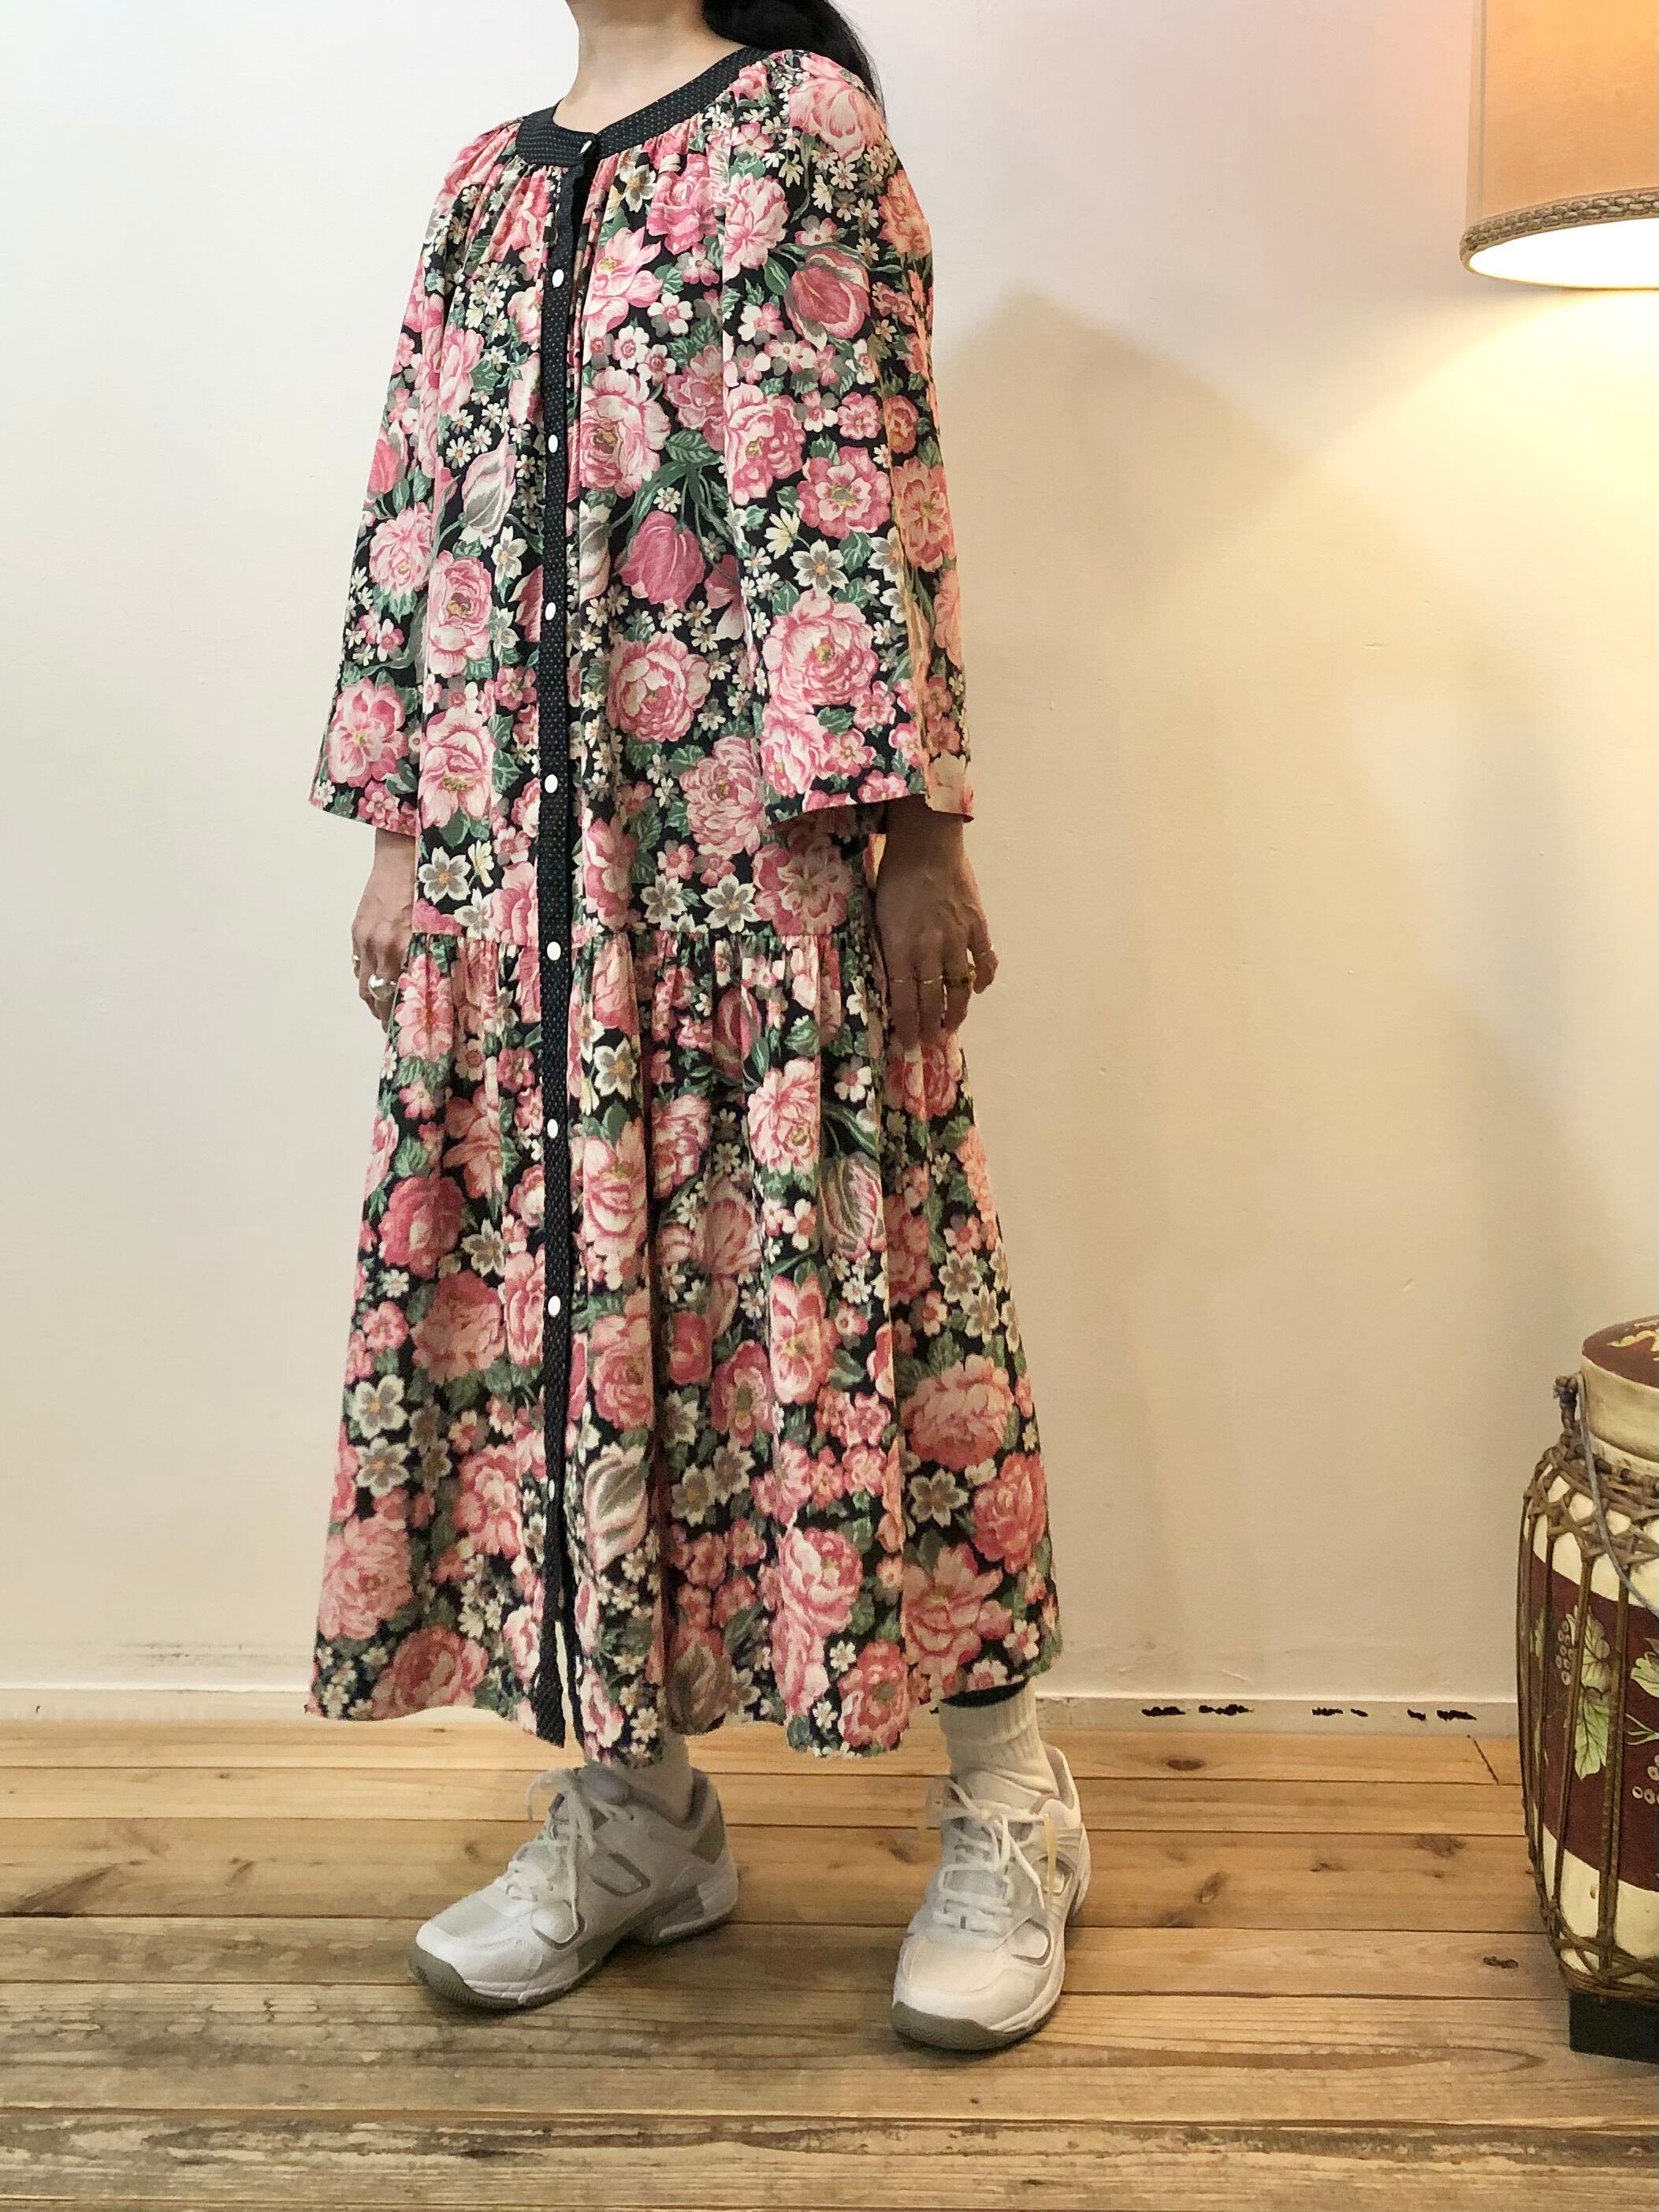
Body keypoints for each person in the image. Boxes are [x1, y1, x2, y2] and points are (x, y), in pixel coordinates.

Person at [307, 0, 1084, 2051]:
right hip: (521, 890)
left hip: (762, 881)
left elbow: (870, 483)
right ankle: (638, 1813)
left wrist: (922, 840)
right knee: (570, 1329)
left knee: (875, 1313)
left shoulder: (795, 121)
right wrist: (397, 832)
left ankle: (1010, 1801)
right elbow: (413, 515)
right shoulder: (483, 187)